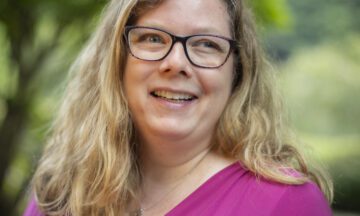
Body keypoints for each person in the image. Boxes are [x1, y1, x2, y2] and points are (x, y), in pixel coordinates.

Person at [23, 0, 333, 215]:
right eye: (153, 38)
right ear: (117, 60)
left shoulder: (287, 204)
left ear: (238, 72)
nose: (176, 63)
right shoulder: (63, 191)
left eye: (206, 44)